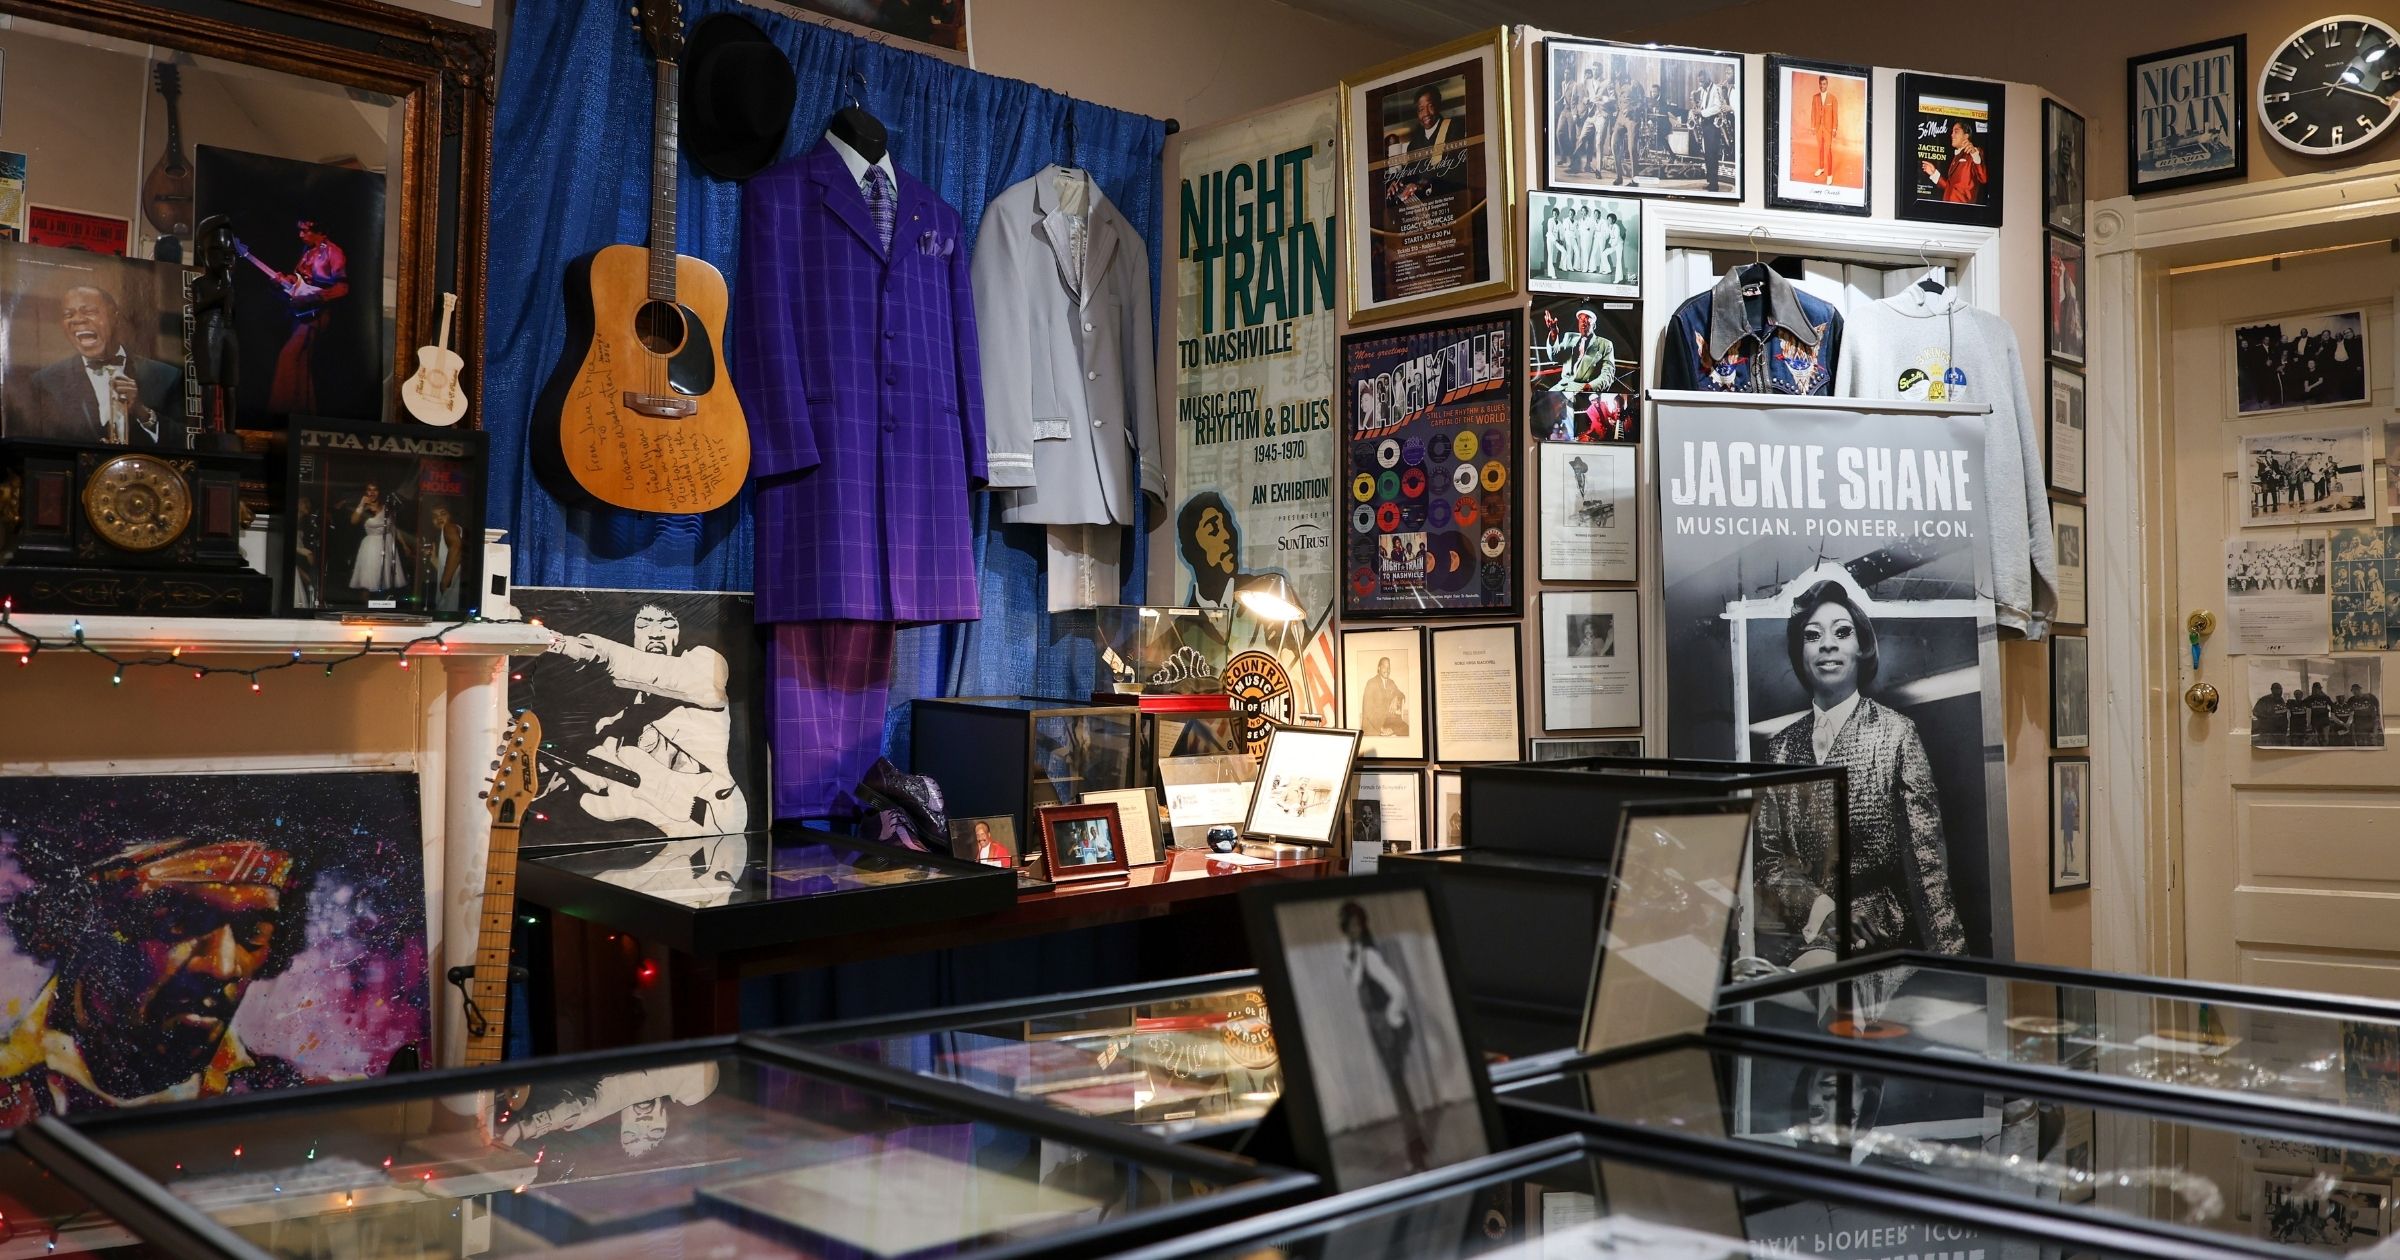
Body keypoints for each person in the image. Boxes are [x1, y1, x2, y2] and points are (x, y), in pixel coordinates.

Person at [0, 835, 314, 1120]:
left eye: (254, 932)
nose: (221, 968)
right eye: (180, 920)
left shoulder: (287, 1102)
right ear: (91, 922)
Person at [1751, 580, 1968, 958]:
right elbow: (1769, 863)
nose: (1827, 644)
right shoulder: (1780, 748)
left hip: (1884, 943)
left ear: (1861, 646)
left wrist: (1955, 963)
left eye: (1842, 632)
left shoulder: (1896, 734)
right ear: (1800, 653)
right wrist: (1826, 912)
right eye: (1812, 635)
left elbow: (1927, 867)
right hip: (1803, 947)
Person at [544, 603, 746, 837]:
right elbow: (607, 782)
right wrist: (563, 773)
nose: (656, 632)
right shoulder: (618, 722)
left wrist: (575, 646)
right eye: (643, 625)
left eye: (667, 625)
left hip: (718, 806)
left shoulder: (704, 666)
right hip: (668, 830)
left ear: (678, 636)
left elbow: (650, 669)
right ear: (633, 636)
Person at [16, 284, 185, 448]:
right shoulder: (45, 383)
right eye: (68, 315)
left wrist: (142, 412)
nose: (78, 320)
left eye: (89, 311)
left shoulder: (166, 376)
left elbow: (186, 442)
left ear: (115, 317)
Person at [1341, 900, 1430, 1173]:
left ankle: (1416, 1154)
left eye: (1357, 925)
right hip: (1376, 1025)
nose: (1354, 930)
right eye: (1350, 925)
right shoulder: (1355, 954)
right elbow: (1355, 985)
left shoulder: (1368, 955)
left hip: (1385, 1026)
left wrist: (1392, 1017)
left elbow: (1397, 991)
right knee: (1398, 1087)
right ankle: (1418, 1146)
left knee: (1399, 1088)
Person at [240, 218, 350, 416]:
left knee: (288, 357)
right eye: (300, 230)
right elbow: (300, 282)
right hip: (300, 314)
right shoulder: (307, 252)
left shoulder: (333, 252)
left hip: (317, 314)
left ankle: (279, 411)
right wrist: (285, 281)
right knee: (301, 364)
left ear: (320, 231)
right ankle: (303, 413)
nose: (300, 235)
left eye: (305, 231)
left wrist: (312, 298)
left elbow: (342, 288)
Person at [1177, 491, 1242, 607]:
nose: (1227, 535)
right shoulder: (1182, 618)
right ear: (1189, 553)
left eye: (1228, 523)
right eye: (1213, 530)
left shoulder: (1266, 594)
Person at [344, 483, 410, 595]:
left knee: (387, 578)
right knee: (370, 579)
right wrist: (361, 504)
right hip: (372, 546)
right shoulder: (363, 509)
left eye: (375, 490)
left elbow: (393, 528)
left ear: (379, 492)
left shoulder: (386, 508)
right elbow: (353, 521)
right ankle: (367, 603)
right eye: (369, 490)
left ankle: (384, 602)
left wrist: (404, 545)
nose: (372, 493)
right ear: (366, 492)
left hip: (387, 544)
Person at [1541, 307, 1617, 404]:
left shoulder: (1605, 344)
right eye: (1580, 318)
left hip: (1582, 389)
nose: (1583, 322)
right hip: (1561, 385)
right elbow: (1554, 356)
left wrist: (1591, 386)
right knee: (1541, 402)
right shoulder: (1570, 337)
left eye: (1587, 318)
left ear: (1594, 324)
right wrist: (1553, 333)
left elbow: (1608, 374)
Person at [1922, 119, 1989, 205]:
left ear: (1966, 136)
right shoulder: (1956, 157)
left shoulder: (1975, 152)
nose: (1952, 135)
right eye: (1952, 132)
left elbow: (1983, 178)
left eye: (1956, 132)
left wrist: (1975, 154)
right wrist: (1934, 173)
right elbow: (1950, 188)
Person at [1692, 66, 1734, 192]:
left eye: (1702, 81)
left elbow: (1717, 107)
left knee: (1712, 155)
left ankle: (1714, 185)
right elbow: (1704, 105)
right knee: (1707, 154)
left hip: (1713, 125)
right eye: (1699, 81)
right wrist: (1698, 110)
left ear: (1708, 78)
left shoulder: (1716, 89)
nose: (1700, 84)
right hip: (1705, 124)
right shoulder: (1703, 90)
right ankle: (1710, 181)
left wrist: (1702, 112)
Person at [423, 501, 466, 612]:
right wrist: (433, 559)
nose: (439, 518)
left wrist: (444, 582)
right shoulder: (444, 535)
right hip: (453, 590)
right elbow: (447, 566)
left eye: (443, 513)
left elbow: (456, 548)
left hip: (452, 589)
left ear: (450, 515)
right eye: (435, 516)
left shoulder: (449, 528)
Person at [1361, 655, 1410, 737]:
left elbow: (1402, 695)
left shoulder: (1391, 682)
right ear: (1379, 668)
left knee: (1407, 730)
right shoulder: (1371, 683)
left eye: (1388, 667)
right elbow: (1368, 710)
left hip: (1390, 721)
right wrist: (1381, 728)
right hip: (1375, 724)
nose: (1387, 670)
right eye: (1384, 667)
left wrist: (1395, 698)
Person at [1809, 74, 1840, 183]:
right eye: (1821, 84)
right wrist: (1812, 127)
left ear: (1827, 85)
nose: (1822, 86)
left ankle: (1830, 174)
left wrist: (1834, 129)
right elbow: (1813, 112)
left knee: (1828, 150)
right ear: (1819, 85)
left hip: (1828, 129)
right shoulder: (1815, 97)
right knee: (1820, 149)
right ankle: (1821, 168)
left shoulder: (1833, 98)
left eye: (1824, 84)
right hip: (1818, 128)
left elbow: (1835, 115)